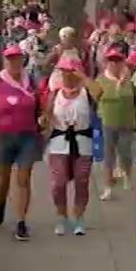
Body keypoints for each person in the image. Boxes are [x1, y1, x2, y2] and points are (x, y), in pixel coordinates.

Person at [0, 45, 41, 234]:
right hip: (3, 136)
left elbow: (39, 105)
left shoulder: (30, 80)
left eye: (17, 59)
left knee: (23, 179)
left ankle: (21, 222)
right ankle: (0, 202)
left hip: (27, 136)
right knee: (2, 181)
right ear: (4, 61)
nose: (14, 63)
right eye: (10, 59)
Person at [40, 57, 96, 239]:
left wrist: (82, 76)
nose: (65, 75)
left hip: (82, 143)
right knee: (58, 183)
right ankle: (61, 216)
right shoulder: (54, 94)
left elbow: (100, 91)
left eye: (69, 71)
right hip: (59, 142)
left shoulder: (86, 92)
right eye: (63, 71)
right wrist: (43, 122)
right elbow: (46, 115)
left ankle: (78, 218)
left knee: (81, 182)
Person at [94, 46, 136, 200]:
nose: (114, 64)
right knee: (108, 155)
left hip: (127, 121)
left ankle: (127, 174)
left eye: (117, 61)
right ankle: (107, 187)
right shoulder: (100, 80)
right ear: (106, 63)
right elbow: (95, 99)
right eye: (111, 61)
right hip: (108, 121)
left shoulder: (130, 81)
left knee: (125, 151)